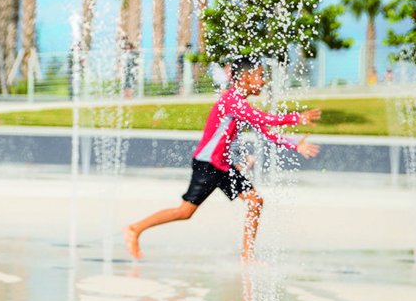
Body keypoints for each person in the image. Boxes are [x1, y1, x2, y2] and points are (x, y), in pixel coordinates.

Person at [123, 55, 322, 261]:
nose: (263, 81)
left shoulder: (240, 104)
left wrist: (294, 144)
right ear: (246, 77)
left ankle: (247, 255)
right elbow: (263, 118)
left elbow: (265, 131)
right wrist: (296, 117)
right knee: (184, 212)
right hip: (208, 165)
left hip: (223, 166)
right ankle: (134, 229)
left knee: (254, 201)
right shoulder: (232, 101)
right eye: (260, 76)